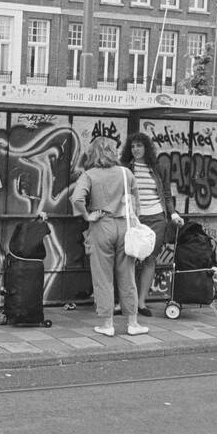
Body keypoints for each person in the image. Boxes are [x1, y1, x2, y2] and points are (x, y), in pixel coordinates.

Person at [70, 137, 148, 337]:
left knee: (103, 277)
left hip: (101, 226)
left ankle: (107, 324)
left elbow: (77, 198)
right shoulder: (126, 173)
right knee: (127, 275)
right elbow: (136, 205)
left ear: (93, 153)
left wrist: (87, 215)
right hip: (124, 226)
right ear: (114, 152)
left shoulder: (89, 175)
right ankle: (133, 323)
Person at [121, 133, 183, 317]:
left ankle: (141, 303)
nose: (136, 149)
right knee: (128, 259)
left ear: (146, 148)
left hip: (156, 217)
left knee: (150, 260)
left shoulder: (158, 168)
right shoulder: (125, 168)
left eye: (139, 146)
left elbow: (165, 193)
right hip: (134, 219)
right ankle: (125, 302)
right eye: (133, 146)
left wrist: (172, 213)